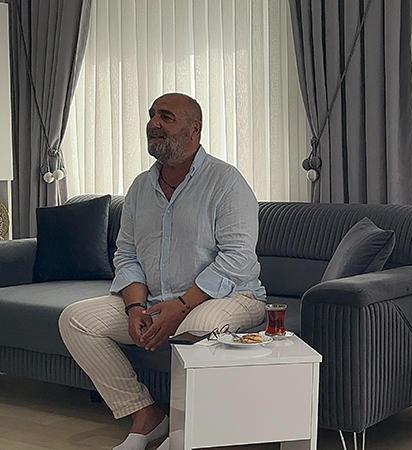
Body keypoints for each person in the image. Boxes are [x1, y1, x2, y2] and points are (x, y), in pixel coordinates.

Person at [59, 93, 267, 450]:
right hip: (156, 299)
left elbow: (236, 258)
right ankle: (146, 415)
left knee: (195, 328)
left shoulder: (226, 182)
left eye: (166, 117)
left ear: (194, 130)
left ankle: (185, 435)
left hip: (233, 297)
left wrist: (181, 306)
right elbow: (127, 254)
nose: (154, 123)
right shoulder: (141, 187)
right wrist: (134, 308)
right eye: (152, 115)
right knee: (76, 320)